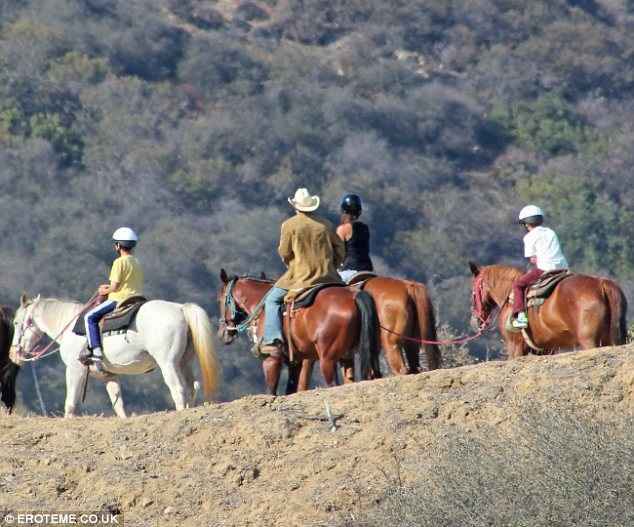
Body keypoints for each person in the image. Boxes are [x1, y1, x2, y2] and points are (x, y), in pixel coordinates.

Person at [261, 188, 345, 356]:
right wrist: (332, 265)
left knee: (271, 300)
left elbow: (284, 252)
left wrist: (291, 264)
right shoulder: (326, 225)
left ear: (296, 207)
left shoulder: (289, 225)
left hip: (300, 279)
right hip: (330, 278)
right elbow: (340, 249)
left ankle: (272, 340)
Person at [79, 227, 144, 370]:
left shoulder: (119, 262)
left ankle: (95, 351)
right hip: (137, 298)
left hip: (119, 299)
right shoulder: (137, 262)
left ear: (118, 246)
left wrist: (103, 290)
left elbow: (114, 287)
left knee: (89, 317)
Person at [512, 205, 568, 329]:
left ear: (526, 224)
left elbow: (533, 259)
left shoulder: (529, 237)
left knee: (518, 285)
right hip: (563, 268)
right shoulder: (550, 232)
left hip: (545, 268)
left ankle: (521, 318)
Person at [336, 194, 374, 283]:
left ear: (343, 210)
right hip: (368, 269)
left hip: (350, 270)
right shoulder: (365, 228)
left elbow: (338, 253)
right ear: (359, 212)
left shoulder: (342, 229)